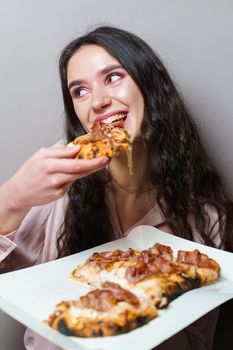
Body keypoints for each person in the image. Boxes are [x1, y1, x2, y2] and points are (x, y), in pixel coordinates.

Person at [0, 25, 232, 350]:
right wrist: (10, 200)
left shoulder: (208, 215)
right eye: (79, 91)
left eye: (113, 77)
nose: (98, 101)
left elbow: (198, 339)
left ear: (148, 85)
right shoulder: (56, 175)